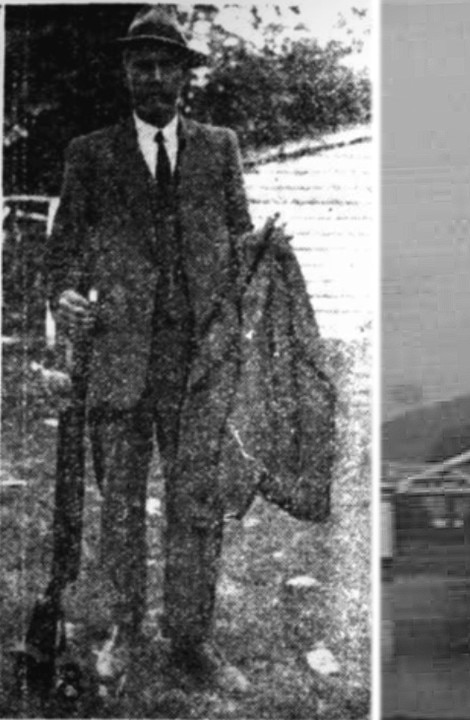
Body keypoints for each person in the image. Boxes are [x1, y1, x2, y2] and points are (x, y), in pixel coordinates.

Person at [45, 6, 259, 691]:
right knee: (120, 511)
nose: (155, 77)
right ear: (125, 73)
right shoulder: (91, 154)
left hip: (196, 369)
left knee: (196, 506)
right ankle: (117, 634)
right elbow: (62, 256)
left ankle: (192, 641)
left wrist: (245, 297)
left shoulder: (221, 148)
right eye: (142, 65)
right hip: (118, 362)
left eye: (167, 65)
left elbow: (241, 243)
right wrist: (65, 297)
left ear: (184, 77)